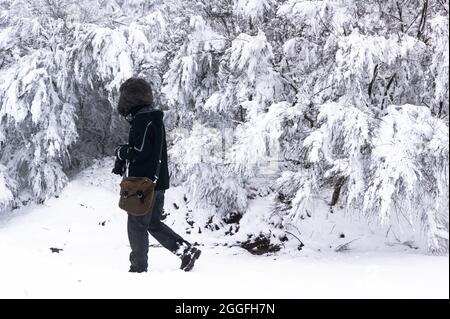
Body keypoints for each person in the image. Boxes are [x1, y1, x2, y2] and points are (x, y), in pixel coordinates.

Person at [112, 78, 201, 273]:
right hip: (157, 182)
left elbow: (140, 151)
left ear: (129, 100)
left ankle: (138, 268)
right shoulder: (154, 119)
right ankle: (185, 250)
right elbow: (151, 151)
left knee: (136, 225)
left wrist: (121, 152)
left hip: (142, 184)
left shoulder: (142, 121)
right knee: (152, 222)